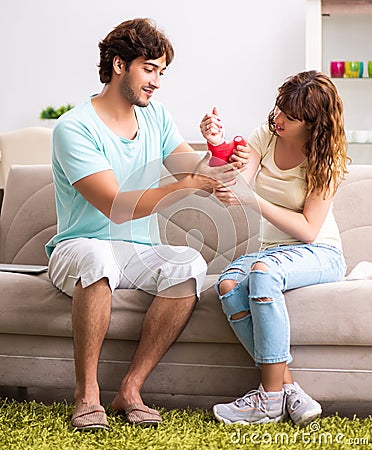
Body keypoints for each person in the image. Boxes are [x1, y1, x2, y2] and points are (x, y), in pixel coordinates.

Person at [46, 18, 248, 431]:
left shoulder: (154, 116)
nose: (156, 82)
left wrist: (219, 158)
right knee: (97, 255)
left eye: (161, 72)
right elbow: (116, 207)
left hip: (138, 250)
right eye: (149, 69)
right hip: (80, 246)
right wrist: (194, 184)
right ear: (119, 64)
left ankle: (131, 389)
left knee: (188, 264)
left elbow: (187, 165)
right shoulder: (74, 127)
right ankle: (86, 396)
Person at [200, 70, 349, 427]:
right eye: (279, 109)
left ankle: (268, 400)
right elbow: (238, 180)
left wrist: (251, 201)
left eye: (291, 117)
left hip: (320, 253)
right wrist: (217, 146)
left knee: (262, 275)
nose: (278, 120)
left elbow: (310, 230)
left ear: (314, 125)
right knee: (229, 285)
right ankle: (290, 390)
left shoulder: (328, 161)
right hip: (275, 252)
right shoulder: (267, 134)